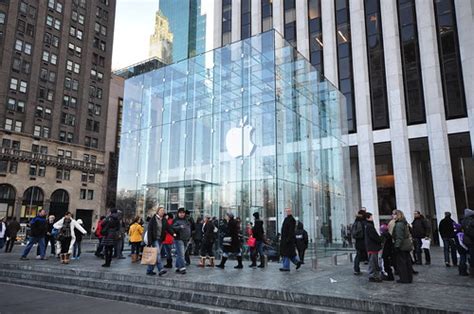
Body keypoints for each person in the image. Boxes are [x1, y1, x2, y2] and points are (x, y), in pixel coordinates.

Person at [146, 206, 170, 276]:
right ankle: (161, 269)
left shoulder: (164, 220)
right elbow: (150, 231)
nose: (163, 212)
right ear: (158, 211)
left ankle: (149, 270)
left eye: (163, 210)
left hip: (160, 240)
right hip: (154, 239)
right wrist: (149, 242)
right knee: (158, 254)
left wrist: (174, 233)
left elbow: (168, 228)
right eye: (161, 210)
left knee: (154, 255)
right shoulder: (153, 219)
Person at [392, 209, 414, 283]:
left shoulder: (399, 224)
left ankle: (404, 278)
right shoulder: (404, 223)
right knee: (407, 262)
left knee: (402, 263)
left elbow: (399, 237)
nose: (392, 215)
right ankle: (408, 278)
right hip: (406, 244)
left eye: (394, 214)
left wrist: (397, 246)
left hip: (402, 245)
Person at [279, 208, 302, 272]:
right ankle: (297, 262)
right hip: (286, 239)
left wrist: (288, 239)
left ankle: (286, 267)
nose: (287, 212)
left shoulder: (292, 220)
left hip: (288, 240)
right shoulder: (286, 219)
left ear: (291, 212)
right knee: (290, 254)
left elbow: (291, 231)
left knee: (286, 253)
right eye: (287, 211)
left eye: (289, 211)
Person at [172, 208, 192, 274]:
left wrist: (190, 236)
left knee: (180, 254)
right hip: (178, 239)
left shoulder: (186, 220)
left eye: (183, 213)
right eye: (180, 213)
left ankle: (177, 267)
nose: (182, 214)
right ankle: (182, 268)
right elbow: (172, 227)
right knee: (181, 254)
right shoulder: (175, 220)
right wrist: (179, 227)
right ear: (178, 213)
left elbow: (190, 228)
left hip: (186, 239)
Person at [364, 213, 382, 282]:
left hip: (371, 246)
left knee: (373, 261)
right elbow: (374, 236)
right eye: (371, 217)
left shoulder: (367, 225)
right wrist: (380, 239)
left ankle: (373, 275)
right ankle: (373, 275)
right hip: (372, 246)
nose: (372, 218)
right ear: (368, 218)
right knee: (373, 262)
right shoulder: (369, 226)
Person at [352, 209, 367, 275]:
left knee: (358, 255)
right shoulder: (362, 222)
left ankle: (356, 269)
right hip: (362, 241)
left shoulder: (356, 222)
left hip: (358, 241)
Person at [460, 208, 474, 277]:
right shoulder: (471, 221)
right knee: (471, 255)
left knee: (467, 255)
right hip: (471, 240)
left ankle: (469, 270)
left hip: (466, 240)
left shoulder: (463, 221)